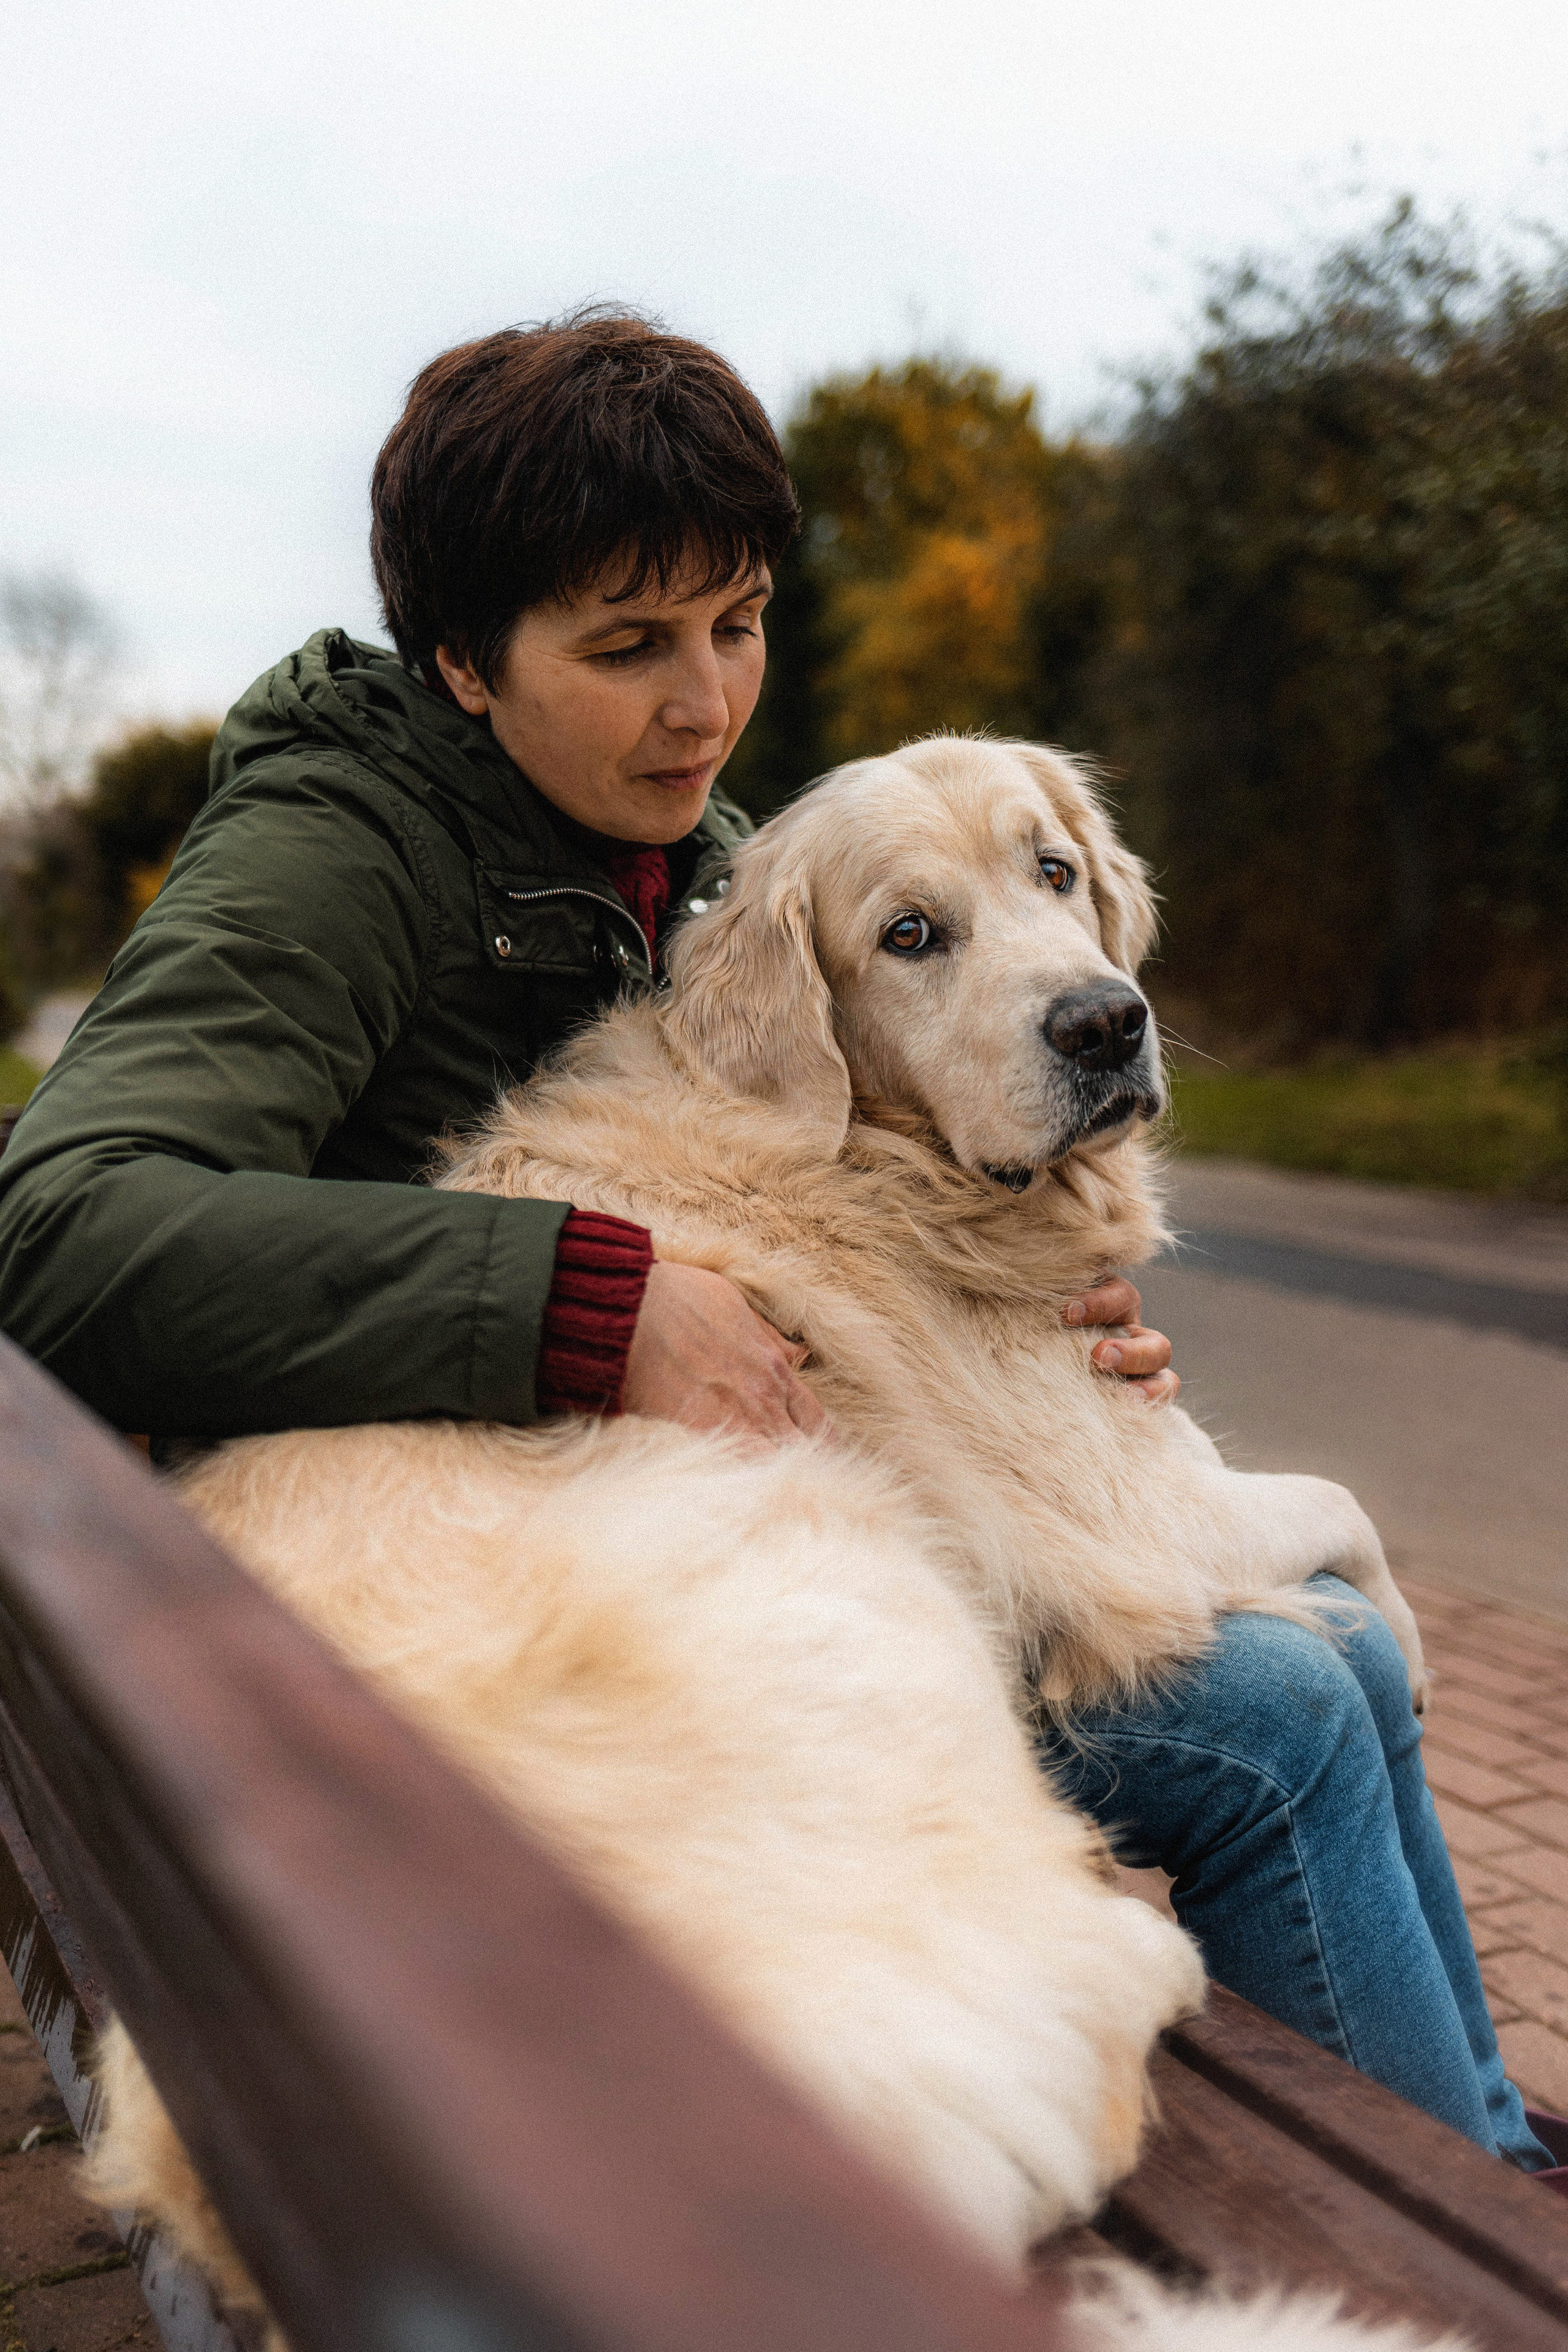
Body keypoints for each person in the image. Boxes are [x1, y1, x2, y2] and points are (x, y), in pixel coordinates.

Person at [0, 310, 1550, 2174]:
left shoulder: (689, 851)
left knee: (1345, 1662)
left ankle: (1484, 2169)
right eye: (626, 645)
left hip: (624, 1565)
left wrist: (1045, 1294)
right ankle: (1465, 2213)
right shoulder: (337, 851)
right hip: (466, 1640)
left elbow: (873, 1135)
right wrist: (588, 1301)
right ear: (462, 665)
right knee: (1286, 1699)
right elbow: (63, 1235)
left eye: (734, 621)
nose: (702, 701)